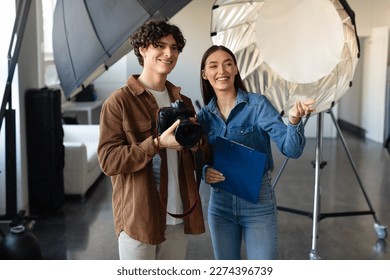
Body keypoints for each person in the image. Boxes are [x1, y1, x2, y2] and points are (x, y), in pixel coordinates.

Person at [97, 19, 205, 260]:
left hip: (177, 214)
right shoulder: (119, 103)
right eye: (160, 45)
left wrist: (196, 142)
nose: (169, 53)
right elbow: (108, 161)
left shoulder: (183, 102)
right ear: (143, 49)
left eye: (175, 47)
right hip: (139, 220)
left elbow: (194, 155)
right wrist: (156, 145)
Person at [197, 45, 315, 260]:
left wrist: (294, 121)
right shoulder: (203, 117)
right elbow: (198, 158)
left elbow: (292, 150)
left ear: (235, 70)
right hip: (220, 204)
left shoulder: (258, 104)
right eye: (213, 66)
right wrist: (204, 170)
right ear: (205, 74)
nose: (221, 71)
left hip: (258, 203)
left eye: (227, 64)